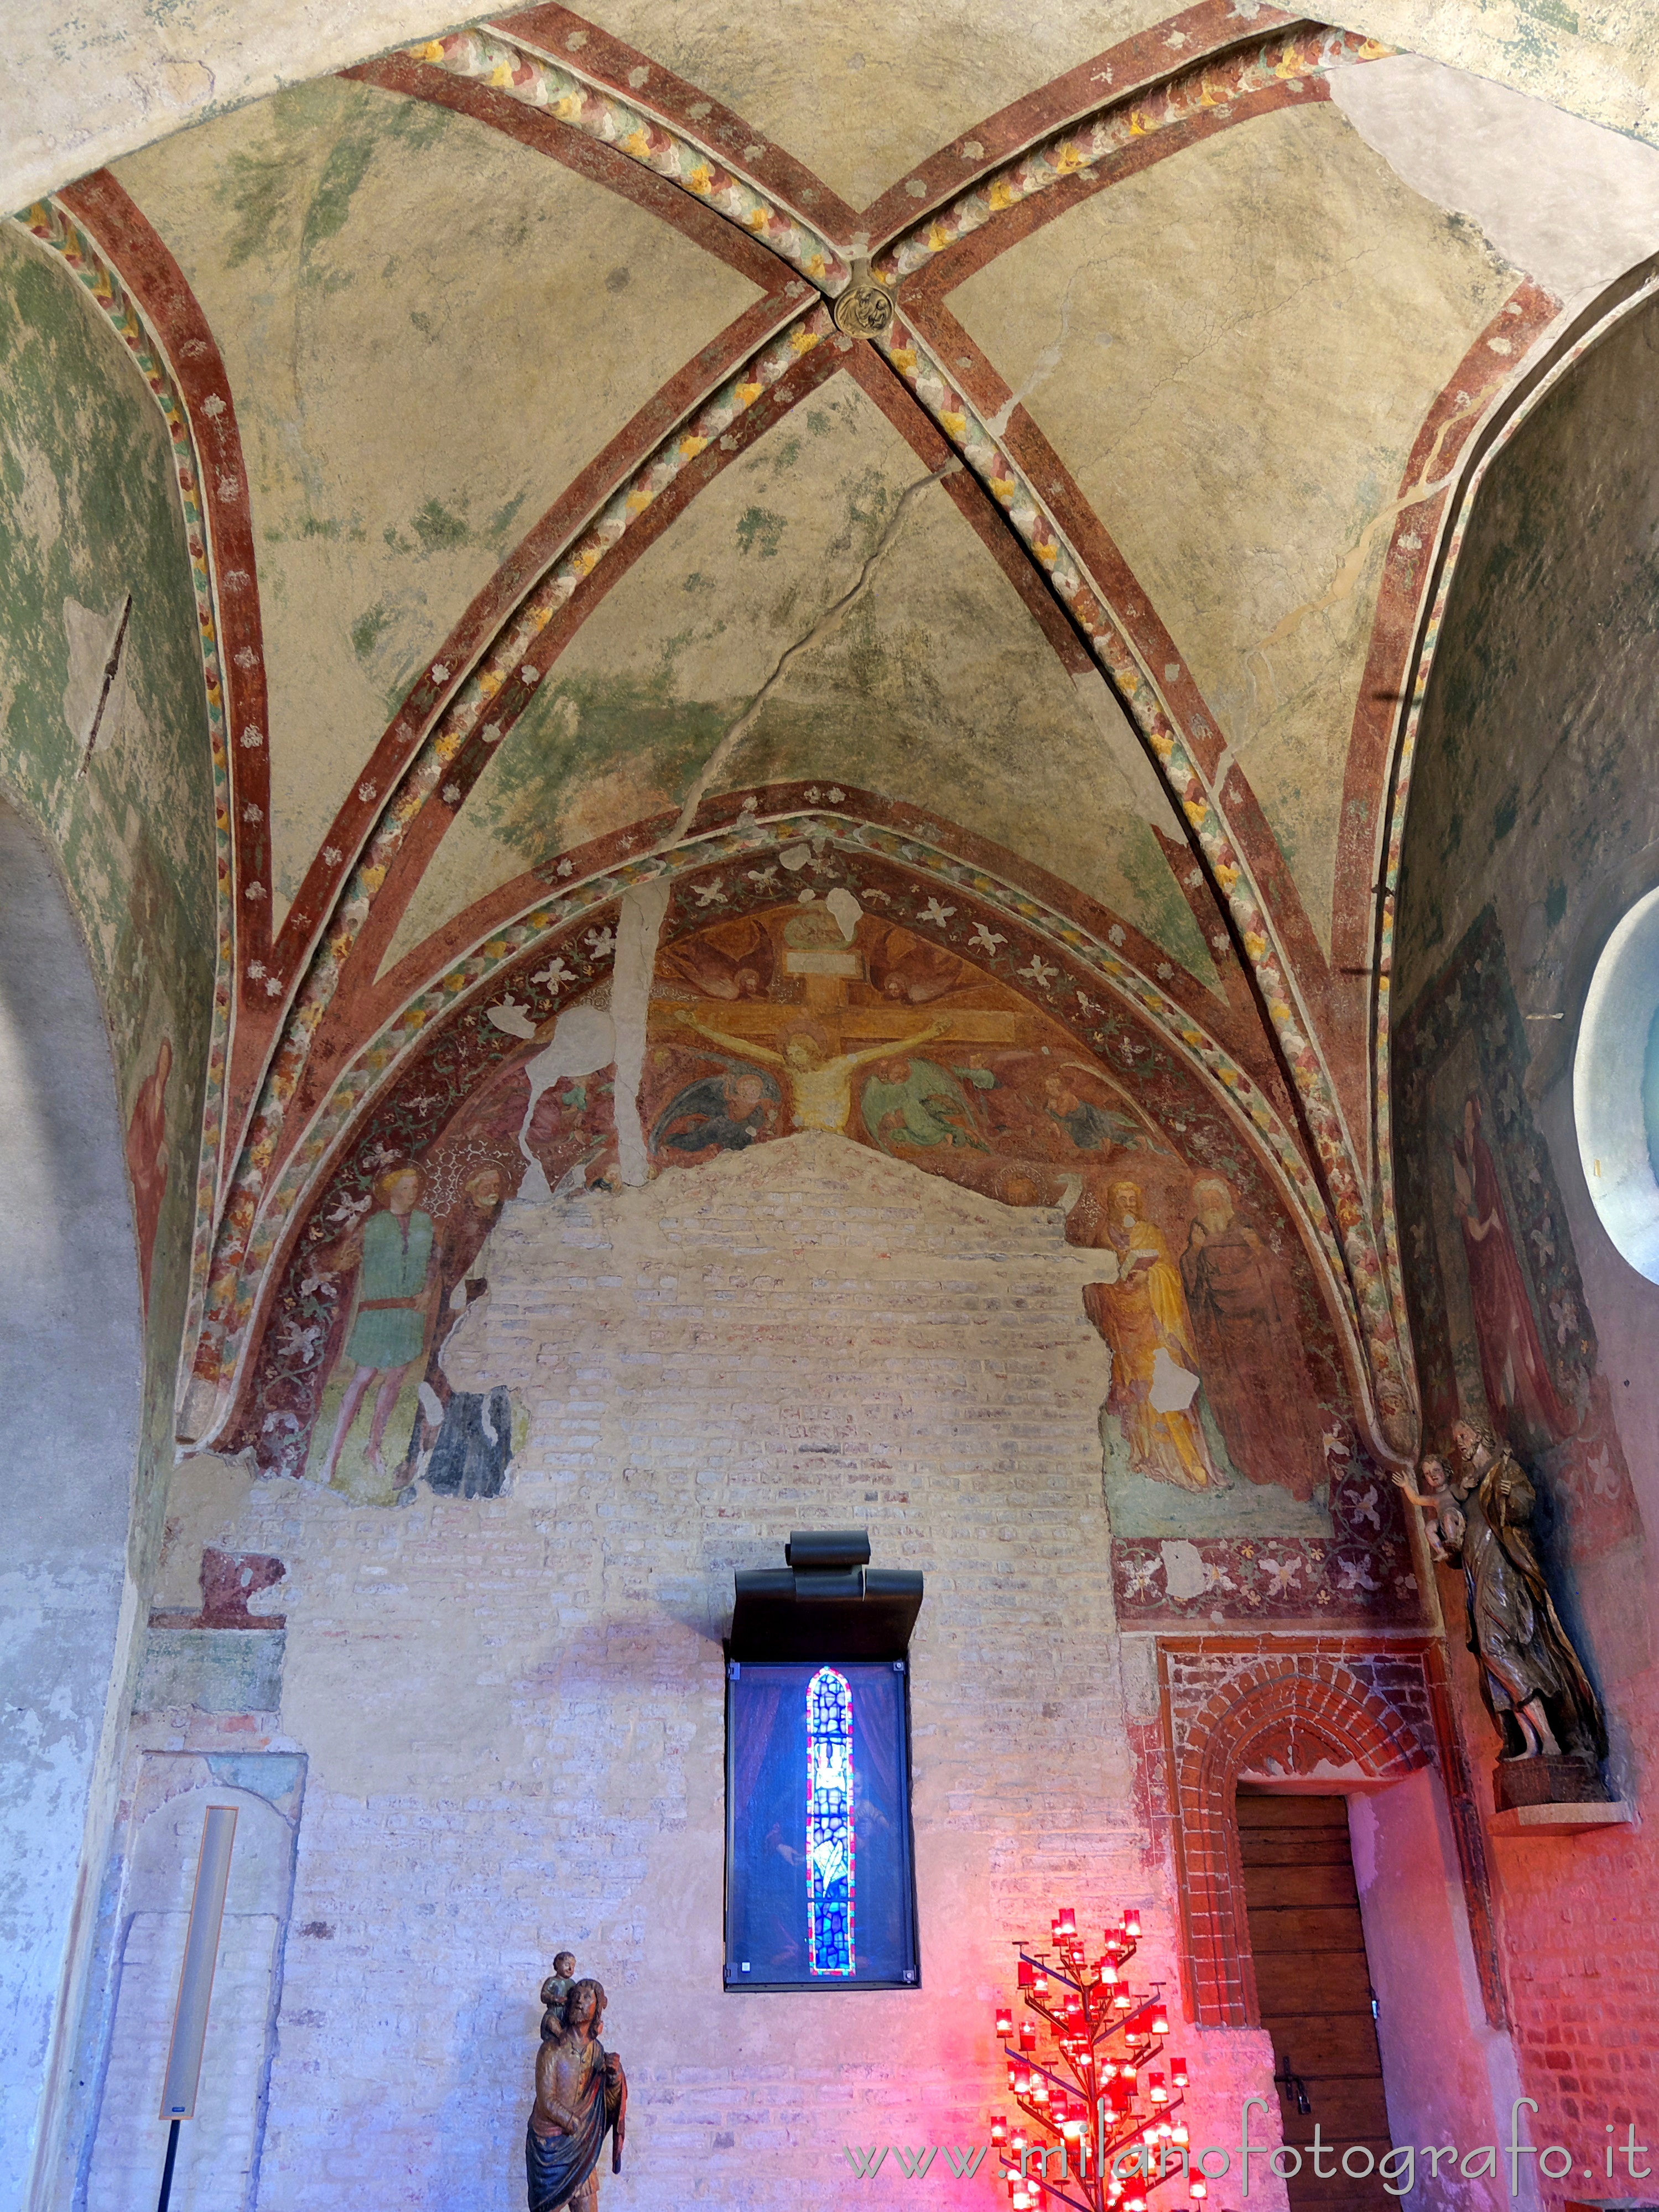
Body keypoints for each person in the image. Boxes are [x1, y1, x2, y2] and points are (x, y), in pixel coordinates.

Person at [1443, 1420, 1605, 1763]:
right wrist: (1453, 1546)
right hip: (1478, 1578)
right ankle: (1533, 1743)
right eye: (1456, 1438)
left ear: (1481, 1435)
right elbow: (1464, 1541)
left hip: (1502, 1574)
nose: (1460, 1442)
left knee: (1496, 1649)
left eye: (1464, 1435)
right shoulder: (1467, 1488)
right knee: (1492, 1661)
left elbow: (1523, 1506)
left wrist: (1509, 1495)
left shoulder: (1504, 1469)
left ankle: (1552, 1736)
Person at [1179, 1175, 1327, 1499]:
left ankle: (1297, 1470)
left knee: (1277, 1399)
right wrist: (1194, 1251)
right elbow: (1192, 1290)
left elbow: (1279, 1279)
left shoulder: (1247, 1232)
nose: (1212, 1207)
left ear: (1227, 1203)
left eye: (1216, 1200)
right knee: (1244, 1404)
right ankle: (1259, 1467)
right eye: (1205, 1203)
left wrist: (1259, 1249)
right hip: (1228, 1344)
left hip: (1264, 1340)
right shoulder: (1199, 1241)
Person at [1452, 1093, 1574, 1448]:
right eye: (1464, 1124)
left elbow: (1490, 1216)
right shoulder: (1469, 1159)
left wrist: (1475, 1221)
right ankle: (1513, 1418)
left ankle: (1531, 1411)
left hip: (1495, 1253)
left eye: (1469, 1122)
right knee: (1495, 1339)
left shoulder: (1483, 1156)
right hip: (1482, 1262)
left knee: (1513, 1329)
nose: (1466, 1128)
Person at [1083, 1180, 1218, 1491]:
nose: (1129, 1204)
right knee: (1139, 1389)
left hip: (1156, 1323)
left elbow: (1171, 1274)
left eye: (1133, 1199)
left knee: (1168, 1380)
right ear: (1112, 1203)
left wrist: (1150, 1276)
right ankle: (1149, 1456)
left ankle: (1189, 1461)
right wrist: (1116, 1283)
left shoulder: (1151, 1232)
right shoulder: (1103, 1237)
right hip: (1124, 1329)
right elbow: (1094, 1283)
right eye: (1122, 1199)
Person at [319, 1165, 437, 1486]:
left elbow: (432, 1262)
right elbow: (345, 1255)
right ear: (390, 1191)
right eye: (404, 1188)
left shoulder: (425, 1223)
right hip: (377, 1311)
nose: (411, 1194)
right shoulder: (373, 1225)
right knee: (362, 1378)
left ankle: (373, 1448)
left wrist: (427, 1290)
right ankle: (332, 1454)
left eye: (415, 1188)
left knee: (396, 1380)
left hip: (408, 1314)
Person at [664, 1009, 951, 1136]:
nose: (792, 1059)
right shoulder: (792, 1069)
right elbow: (745, 1048)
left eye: (797, 1054)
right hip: (804, 1134)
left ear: (812, 1052)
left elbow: (888, 1050)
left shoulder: (842, 1064)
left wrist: (929, 1034)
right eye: (789, 1055)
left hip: (834, 1134)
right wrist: (699, 1027)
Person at [527, 1978, 626, 2212]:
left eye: (587, 1997)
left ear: (597, 2010)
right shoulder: (551, 2050)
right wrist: (573, 2123)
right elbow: (546, 2101)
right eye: (576, 1996)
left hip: (582, 2149)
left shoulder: (597, 2051)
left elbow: (606, 2101)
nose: (579, 2001)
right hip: (549, 2148)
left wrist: (613, 2077)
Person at [125, 1034, 172, 1313]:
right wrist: (147, 1168)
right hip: (144, 1181)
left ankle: (144, 1299)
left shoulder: (161, 1097)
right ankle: (141, 1298)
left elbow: (156, 1137)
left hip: (153, 1185)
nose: (165, 1067)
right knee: (142, 1232)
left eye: (169, 1062)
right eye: (163, 1060)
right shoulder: (148, 1090)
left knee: (150, 1240)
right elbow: (135, 1140)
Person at [1391, 1454, 1465, 1564]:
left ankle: (1453, 1541)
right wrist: (1406, 1486)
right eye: (1427, 1473)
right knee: (1429, 1528)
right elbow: (1416, 1499)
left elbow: (1462, 1496)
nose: (1432, 1475)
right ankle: (1441, 1551)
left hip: (1456, 1517)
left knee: (1448, 1516)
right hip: (1444, 1522)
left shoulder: (1452, 1489)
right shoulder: (1434, 1498)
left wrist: (1465, 1486)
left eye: (1436, 1470)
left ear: (1446, 1471)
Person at [539, 1951, 578, 2041]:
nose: (570, 1969)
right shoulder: (552, 1981)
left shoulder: (572, 1983)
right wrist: (555, 1998)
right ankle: (561, 2036)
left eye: (573, 1966)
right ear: (558, 1964)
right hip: (554, 2012)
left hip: (568, 2013)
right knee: (551, 2021)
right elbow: (544, 1996)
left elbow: (579, 1994)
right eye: (567, 1965)